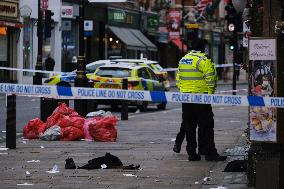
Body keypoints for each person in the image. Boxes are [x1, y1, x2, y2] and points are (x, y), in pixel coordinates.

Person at [175, 38, 227, 161]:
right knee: (206, 126)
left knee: (189, 126)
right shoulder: (203, 60)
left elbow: (178, 80)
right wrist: (209, 94)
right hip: (201, 98)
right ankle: (209, 152)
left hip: (186, 98)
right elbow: (211, 79)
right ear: (203, 47)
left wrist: (184, 91)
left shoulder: (183, 60)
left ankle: (192, 154)